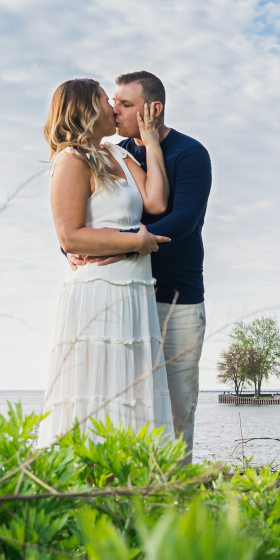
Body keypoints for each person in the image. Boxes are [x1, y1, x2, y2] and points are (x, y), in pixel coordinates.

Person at [71, 71, 212, 461]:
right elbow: (83, 213)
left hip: (175, 299)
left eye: (126, 104)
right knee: (130, 406)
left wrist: (125, 243)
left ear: (154, 109)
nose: (114, 109)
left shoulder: (189, 153)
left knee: (178, 406)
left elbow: (182, 219)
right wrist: (69, 249)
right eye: (113, 101)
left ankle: (178, 493)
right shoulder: (112, 151)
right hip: (125, 299)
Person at [37, 77, 173, 447]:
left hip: (135, 292)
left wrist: (152, 143)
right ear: (85, 108)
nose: (113, 107)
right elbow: (70, 236)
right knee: (94, 393)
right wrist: (134, 241)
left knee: (134, 395)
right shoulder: (71, 159)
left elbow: (156, 202)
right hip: (97, 293)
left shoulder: (121, 154)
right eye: (104, 99)